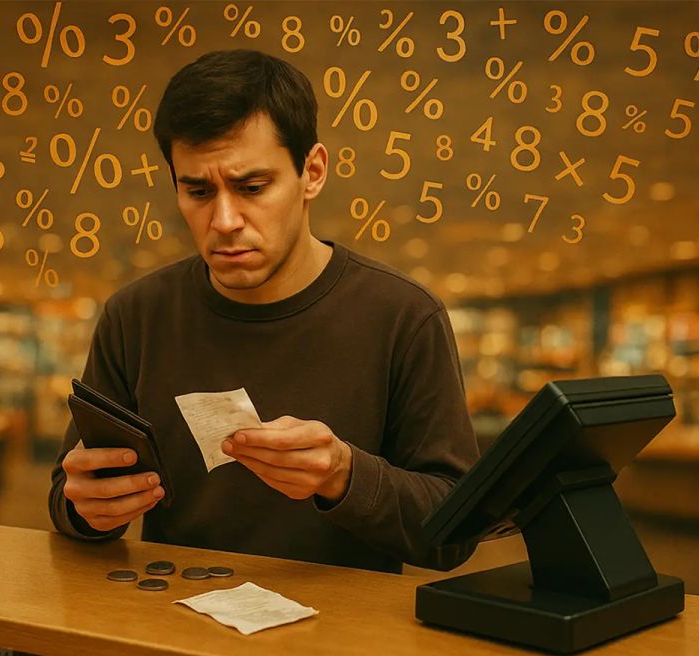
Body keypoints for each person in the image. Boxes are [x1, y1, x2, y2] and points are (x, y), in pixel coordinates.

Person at [49, 49, 480, 574]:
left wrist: (346, 475)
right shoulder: (136, 316)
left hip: (342, 643)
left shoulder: (404, 318)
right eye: (198, 191)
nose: (224, 219)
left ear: (312, 172)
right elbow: (71, 497)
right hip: (173, 623)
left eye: (253, 188)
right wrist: (85, 509)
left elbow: (454, 536)